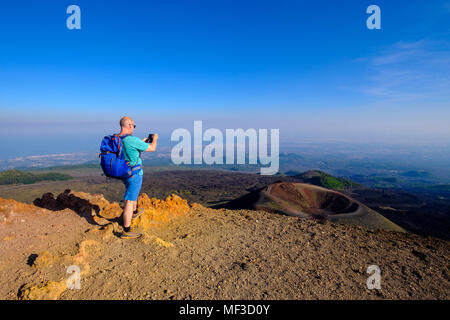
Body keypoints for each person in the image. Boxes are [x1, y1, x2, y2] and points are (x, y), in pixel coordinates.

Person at [117, 116, 158, 239]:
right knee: (129, 200)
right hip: (134, 174)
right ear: (129, 125)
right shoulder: (131, 140)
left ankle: (134, 213)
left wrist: (140, 142)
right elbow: (152, 148)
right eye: (133, 126)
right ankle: (126, 230)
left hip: (123, 172)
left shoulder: (117, 138)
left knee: (132, 193)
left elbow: (128, 150)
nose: (133, 128)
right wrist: (154, 139)